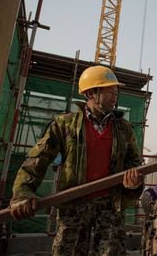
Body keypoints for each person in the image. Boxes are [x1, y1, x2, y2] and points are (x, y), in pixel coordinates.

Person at [9, 65, 144, 255]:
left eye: (116, 92)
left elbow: (134, 163)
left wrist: (134, 182)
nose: (115, 97)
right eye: (110, 92)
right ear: (91, 93)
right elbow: (37, 159)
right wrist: (23, 193)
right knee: (68, 251)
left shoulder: (123, 129)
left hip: (109, 206)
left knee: (111, 252)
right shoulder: (65, 124)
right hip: (73, 205)